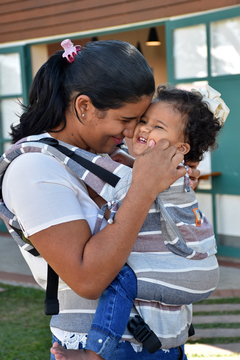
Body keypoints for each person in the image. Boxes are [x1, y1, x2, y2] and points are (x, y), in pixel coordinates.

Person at [1, 39, 200, 360]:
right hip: (104, 347)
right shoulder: (34, 167)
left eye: (140, 119)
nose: (134, 131)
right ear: (83, 107)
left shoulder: (105, 152)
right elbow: (87, 278)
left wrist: (174, 188)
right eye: (125, 120)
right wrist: (144, 189)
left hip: (160, 342)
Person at [50, 84, 229, 360]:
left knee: (118, 279)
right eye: (143, 121)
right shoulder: (160, 170)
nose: (144, 129)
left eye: (158, 127)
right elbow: (119, 161)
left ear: (180, 148)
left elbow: (98, 174)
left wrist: (49, 149)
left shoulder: (157, 175)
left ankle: (96, 353)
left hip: (184, 270)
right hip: (186, 280)